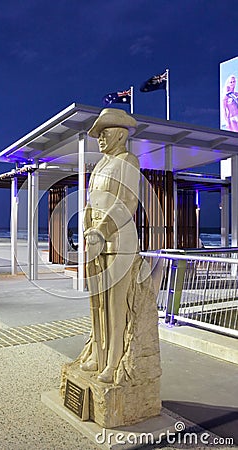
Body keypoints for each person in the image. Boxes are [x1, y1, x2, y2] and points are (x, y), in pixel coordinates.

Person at [80, 108, 140, 383]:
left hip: (118, 244)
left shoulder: (128, 161)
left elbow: (126, 203)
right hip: (96, 243)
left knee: (116, 309)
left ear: (119, 135)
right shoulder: (100, 166)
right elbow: (91, 203)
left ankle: (114, 361)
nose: (99, 139)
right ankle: (99, 353)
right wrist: (86, 227)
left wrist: (101, 231)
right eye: (98, 135)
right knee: (98, 305)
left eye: (104, 134)